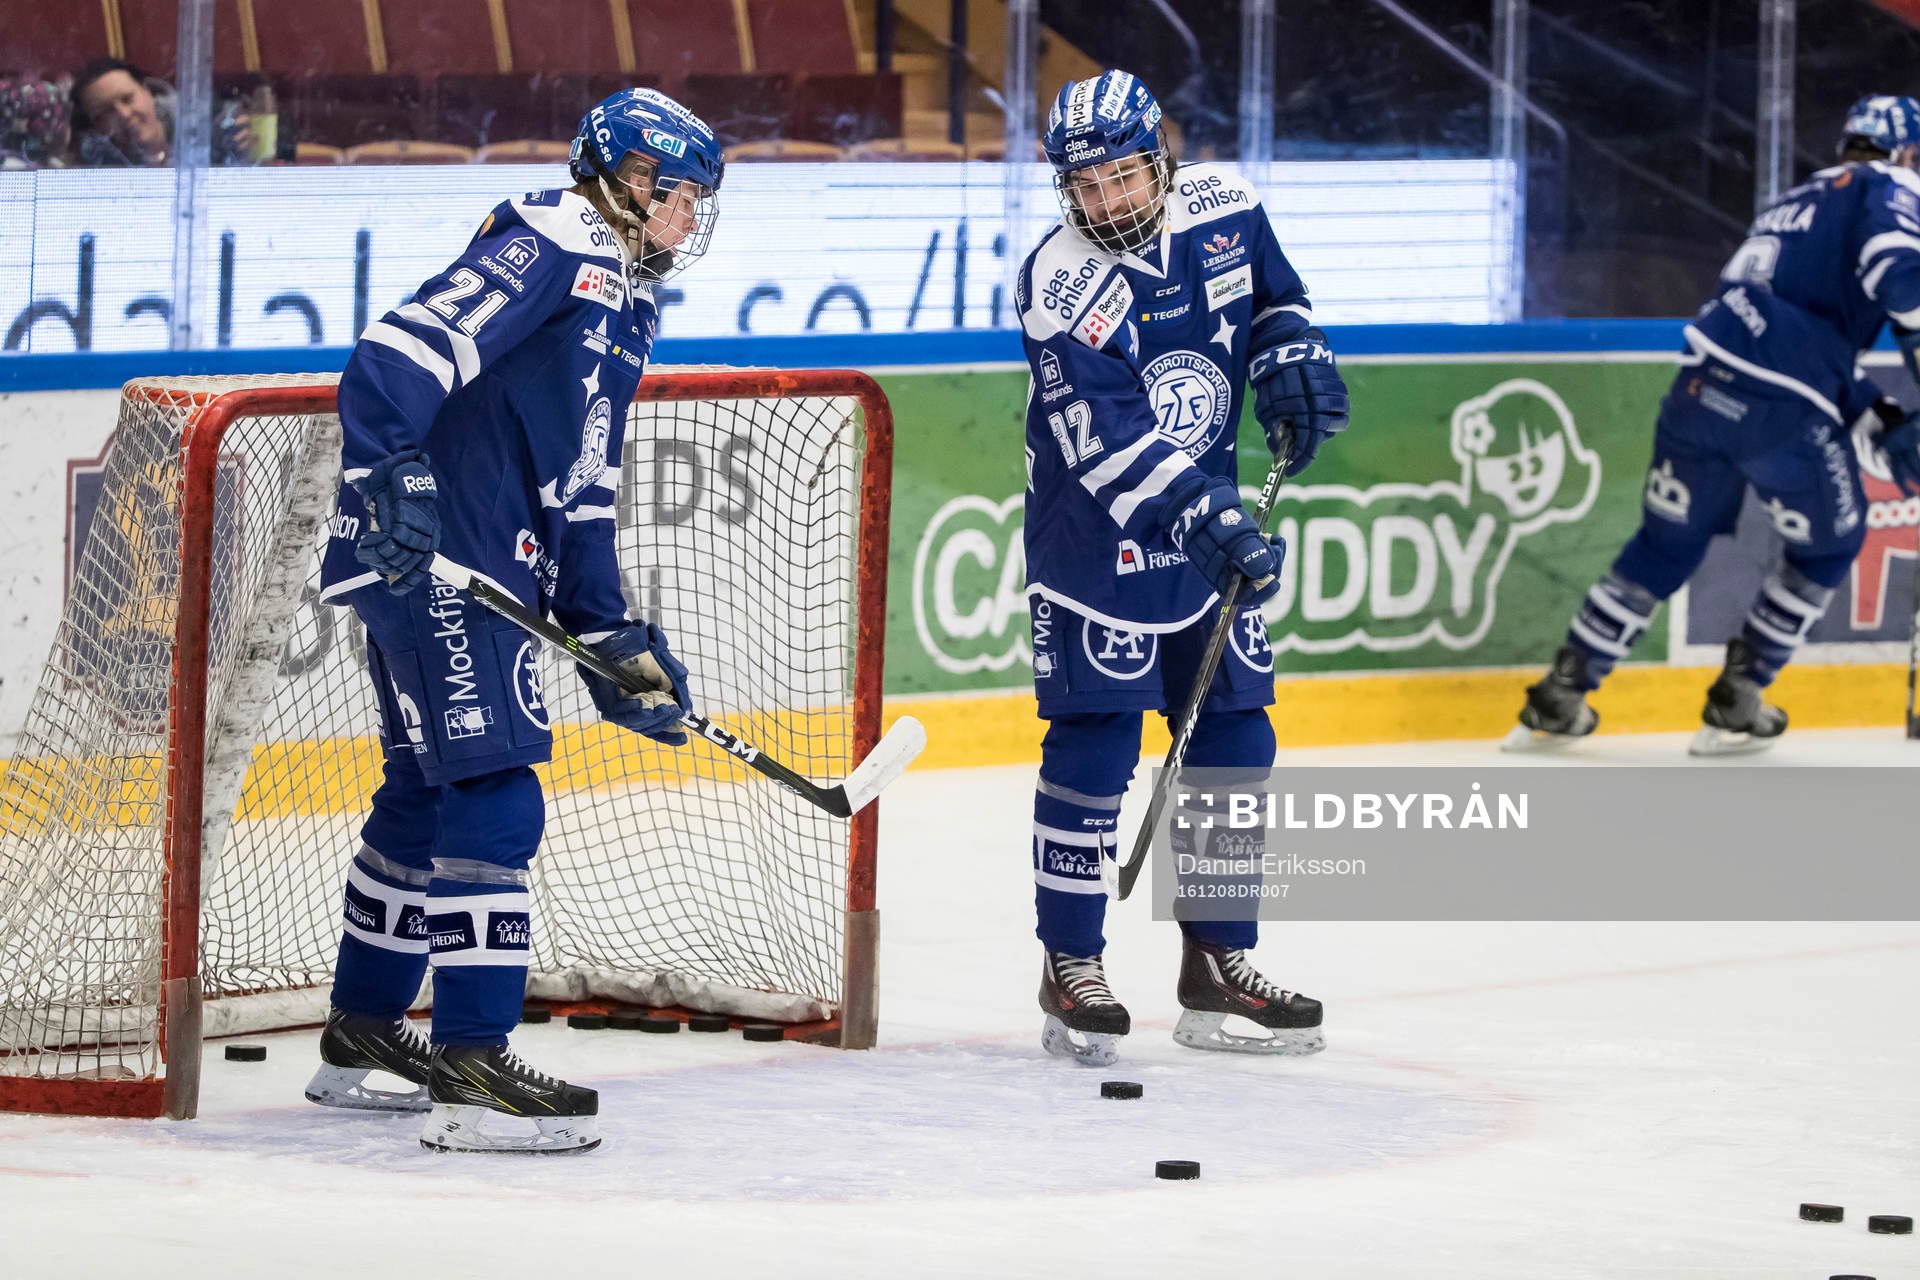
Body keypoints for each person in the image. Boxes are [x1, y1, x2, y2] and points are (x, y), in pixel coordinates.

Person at [302, 87, 723, 1154]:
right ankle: (472, 1066)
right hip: (436, 557)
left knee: (425, 788)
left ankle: (362, 1031)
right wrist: (392, 472)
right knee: (495, 792)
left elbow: (582, 489)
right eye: (676, 194)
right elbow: (399, 350)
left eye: (697, 202)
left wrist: (609, 635)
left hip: (480, 561)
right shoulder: (559, 233)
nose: (687, 219)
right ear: (625, 179)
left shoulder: (627, 298)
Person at [1016, 71, 1348, 1064]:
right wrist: (1206, 513)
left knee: (1237, 740)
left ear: (1160, 157)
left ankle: (1218, 960)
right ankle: (1071, 962)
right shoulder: (1059, 281)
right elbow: (1105, 439)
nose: (1108, 201)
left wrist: (1293, 358)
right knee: (1095, 749)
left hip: (1207, 536)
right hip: (1098, 549)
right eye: (1086, 185)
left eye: (1123, 176)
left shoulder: (1227, 209)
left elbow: (1278, 303)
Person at [1508, 94, 1920, 757]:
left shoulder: (1795, 202)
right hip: (1780, 408)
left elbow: (1787, 333)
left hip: (1700, 387)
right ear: (1908, 152)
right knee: (1830, 544)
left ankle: (1560, 694)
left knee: (1665, 544)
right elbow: (1899, 274)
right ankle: (1739, 696)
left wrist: (1877, 411)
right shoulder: (1889, 185)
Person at [67, 58, 258, 167]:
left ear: (148, 92)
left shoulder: (204, 125)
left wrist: (243, 150)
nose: (124, 114)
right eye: (106, 112)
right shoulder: (96, 169)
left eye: (127, 99)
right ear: (95, 128)